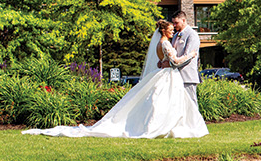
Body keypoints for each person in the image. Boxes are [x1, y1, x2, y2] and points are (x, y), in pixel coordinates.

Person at [22, 17, 208, 139]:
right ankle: (160, 127)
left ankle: (165, 125)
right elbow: (174, 61)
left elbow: (163, 61)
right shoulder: (166, 43)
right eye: (170, 29)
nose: (172, 31)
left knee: (165, 102)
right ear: (164, 31)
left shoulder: (160, 44)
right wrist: (191, 55)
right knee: (166, 102)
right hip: (169, 75)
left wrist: (167, 62)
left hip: (165, 74)